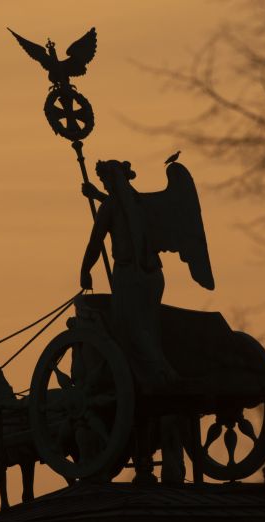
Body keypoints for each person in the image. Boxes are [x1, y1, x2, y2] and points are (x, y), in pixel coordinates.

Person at [80, 159, 185, 484]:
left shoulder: (113, 206)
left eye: (106, 180)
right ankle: (155, 363)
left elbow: (98, 238)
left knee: (129, 328)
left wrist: (84, 269)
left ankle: (158, 371)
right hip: (153, 278)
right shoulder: (141, 203)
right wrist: (97, 195)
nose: (107, 186)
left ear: (112, 180)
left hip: (128, 275)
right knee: (148, 325)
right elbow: (123, 208)